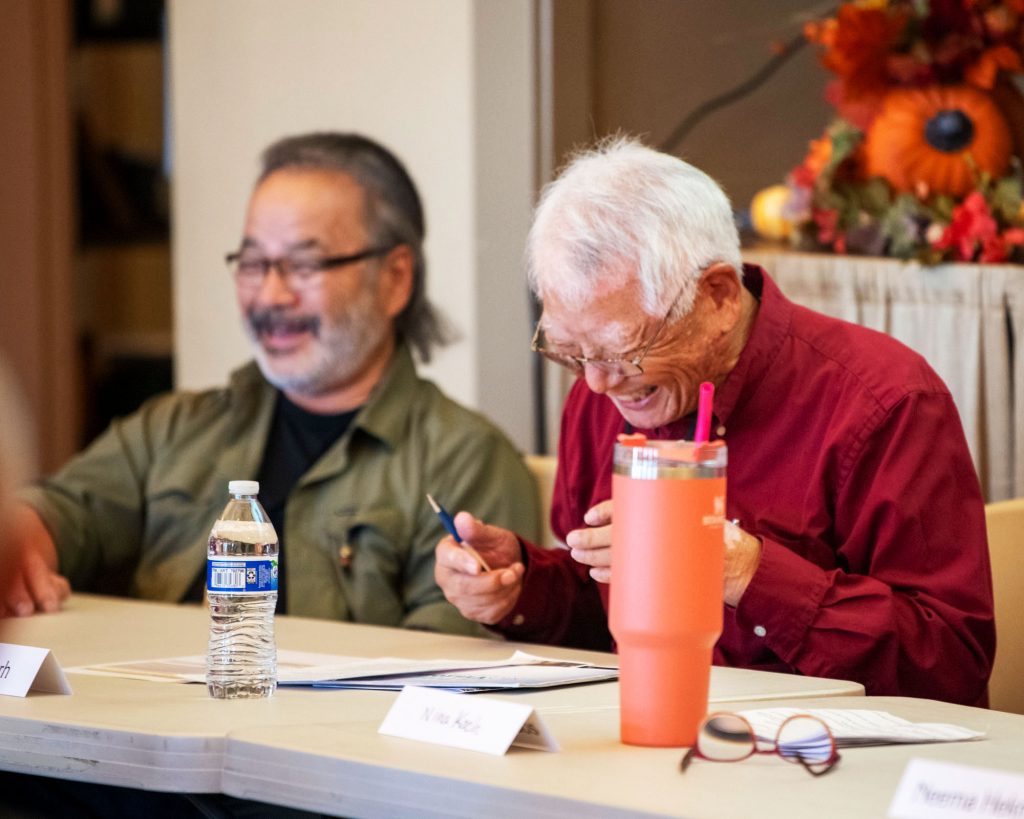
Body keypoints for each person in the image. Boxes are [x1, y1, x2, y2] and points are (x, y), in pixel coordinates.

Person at [435, 137, 995, 705]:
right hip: (645, 742)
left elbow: (950, 667)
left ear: (719, 296)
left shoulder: (884, 401)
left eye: (621, 350)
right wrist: (520, 589)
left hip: (821, 761)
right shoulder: (603, 389)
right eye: (570, 352)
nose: (597, 383)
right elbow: (605, 616)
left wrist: (747, 572)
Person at [4, 132, 539, 635]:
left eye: (304, 264)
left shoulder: (466, 462)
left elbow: (447, 682)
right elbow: (64, 511)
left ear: (395, 279)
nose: (270, 295)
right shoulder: (171, 429)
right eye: (254, 262)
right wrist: (27, 533)